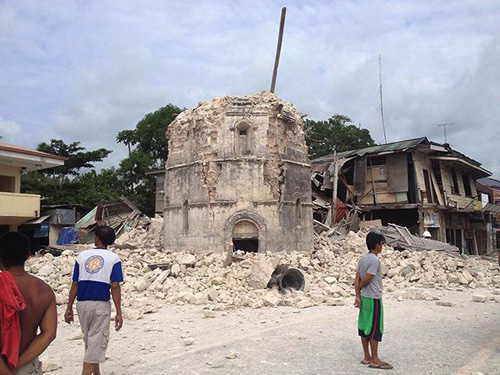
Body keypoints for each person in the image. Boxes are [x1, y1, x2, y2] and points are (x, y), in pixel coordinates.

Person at [65, 226, 123, 375]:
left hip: (82, 304)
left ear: (96, 238)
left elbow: (75, 283)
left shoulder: (82, 256)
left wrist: (69, 307)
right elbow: (115, 286)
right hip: (100, 305)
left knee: (91, 343)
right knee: (96, 343)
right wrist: (118, 312)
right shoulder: (114, 259)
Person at [0, 232, 57, 375]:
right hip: (26, 367)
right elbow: (49, 334)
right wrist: (17, 365)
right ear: (28, 256)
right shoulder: (44, 290)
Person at [354, 231, 393, 370]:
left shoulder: (362, 259)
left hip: (364, 297)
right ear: (377, 245)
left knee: (364, 326)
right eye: (381, 244)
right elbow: (366, 279)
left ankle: (367, 357)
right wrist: (362, 288)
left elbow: (357, 279)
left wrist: (358, 295)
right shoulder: (375, 261)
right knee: (375, 327)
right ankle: (375, 359)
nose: (382, 246)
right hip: (373, 297)